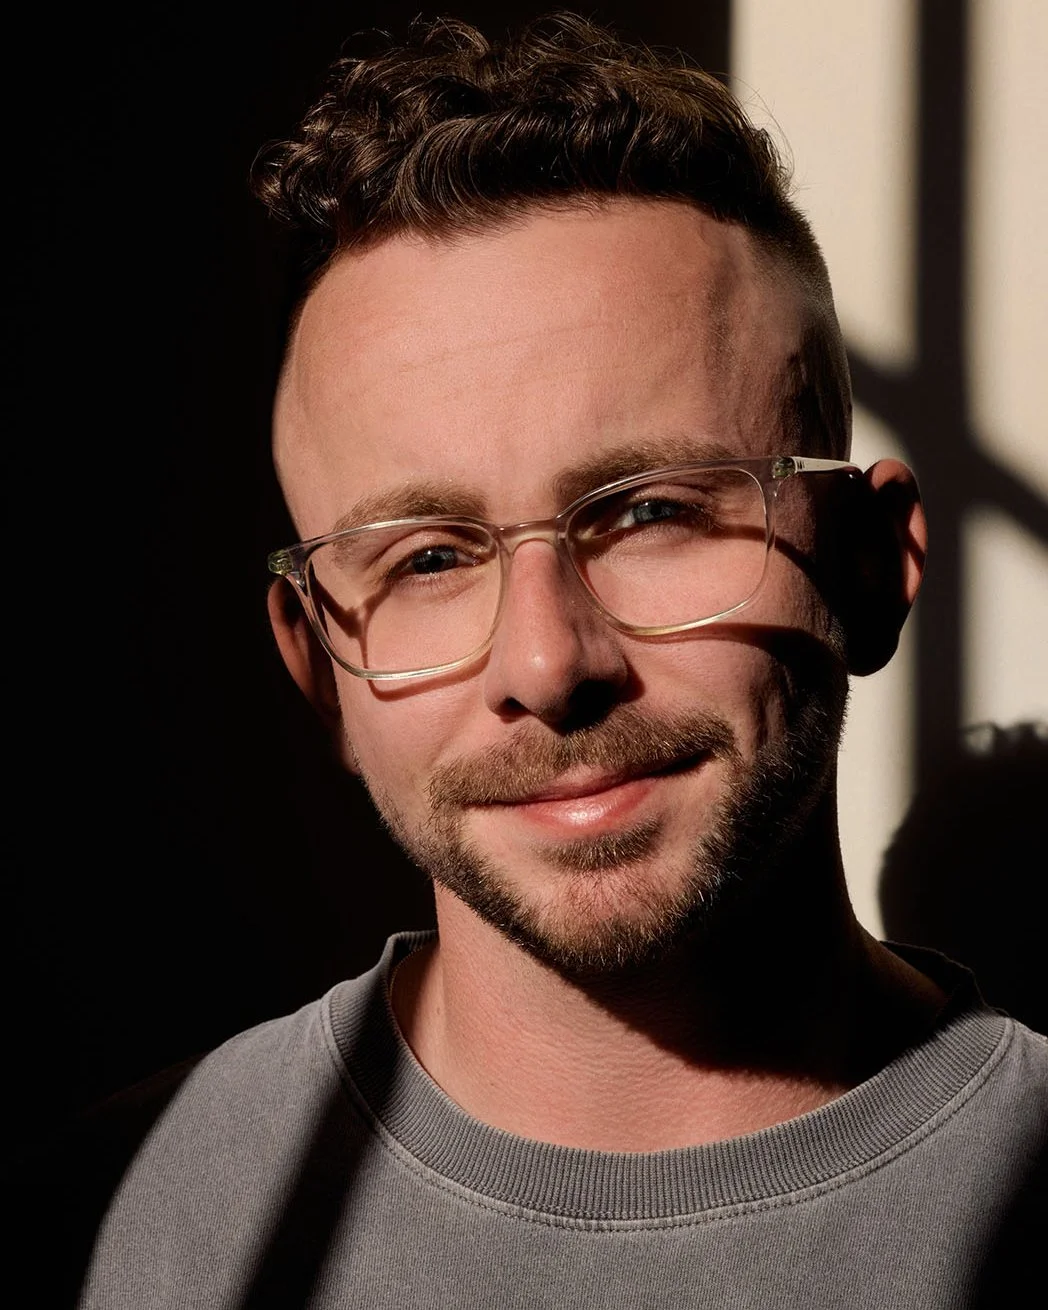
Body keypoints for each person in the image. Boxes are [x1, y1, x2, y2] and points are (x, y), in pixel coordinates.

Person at [76, 13, 1046, 1307]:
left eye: (651, 511)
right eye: (426, 557)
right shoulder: (94, 1235)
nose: (546, 658)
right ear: (319, 666)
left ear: (872, 564)